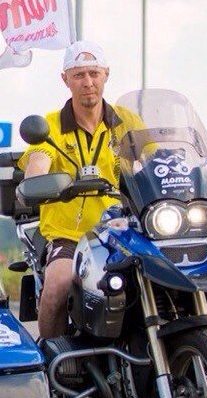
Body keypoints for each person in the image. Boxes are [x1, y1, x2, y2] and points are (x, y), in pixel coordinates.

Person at [17, 40, 140, 340]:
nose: (88, 82)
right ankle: (53, 354)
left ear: (106, 74)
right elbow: (38, 162)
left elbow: (156, 159)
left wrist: (194, 176)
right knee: (58, 284)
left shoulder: (126, 121)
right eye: (79, 75)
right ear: (65, 80)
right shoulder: (51, 125)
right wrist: (39, 179)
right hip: (70, 235)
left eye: (94, 73)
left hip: (123, 229)